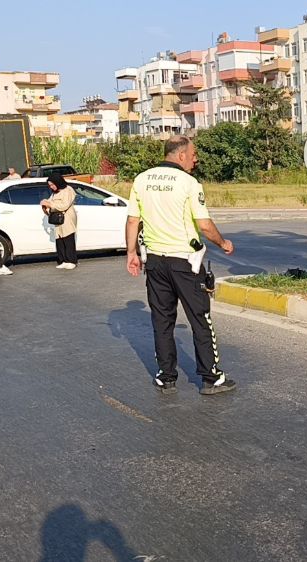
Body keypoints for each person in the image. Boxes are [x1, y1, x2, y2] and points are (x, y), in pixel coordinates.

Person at [124, 135, 236, 395]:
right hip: (185, 263)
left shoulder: (142, 180)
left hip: (154, 262)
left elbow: (132, 221)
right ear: (181, 154)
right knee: (200, 318)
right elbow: (205, 225)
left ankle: (166, 376)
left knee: (162, 320)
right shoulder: (188, 183)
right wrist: (223, 243)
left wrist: (132, 253)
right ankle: (211, 378)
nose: (195, 159)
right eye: (193, 154)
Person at [40, 173, 78, 269]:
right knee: (59, 239)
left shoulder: (68, 190)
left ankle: (71, 260)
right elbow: (50, 202)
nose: (51, 187)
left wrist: (49, 204)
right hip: (58, 218)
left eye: (52, 184)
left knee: (68, 238)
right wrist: (45, 206)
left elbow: (64, 205)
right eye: (50, 185)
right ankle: (63, 260)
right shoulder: (54, 193)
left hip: (67, 217)